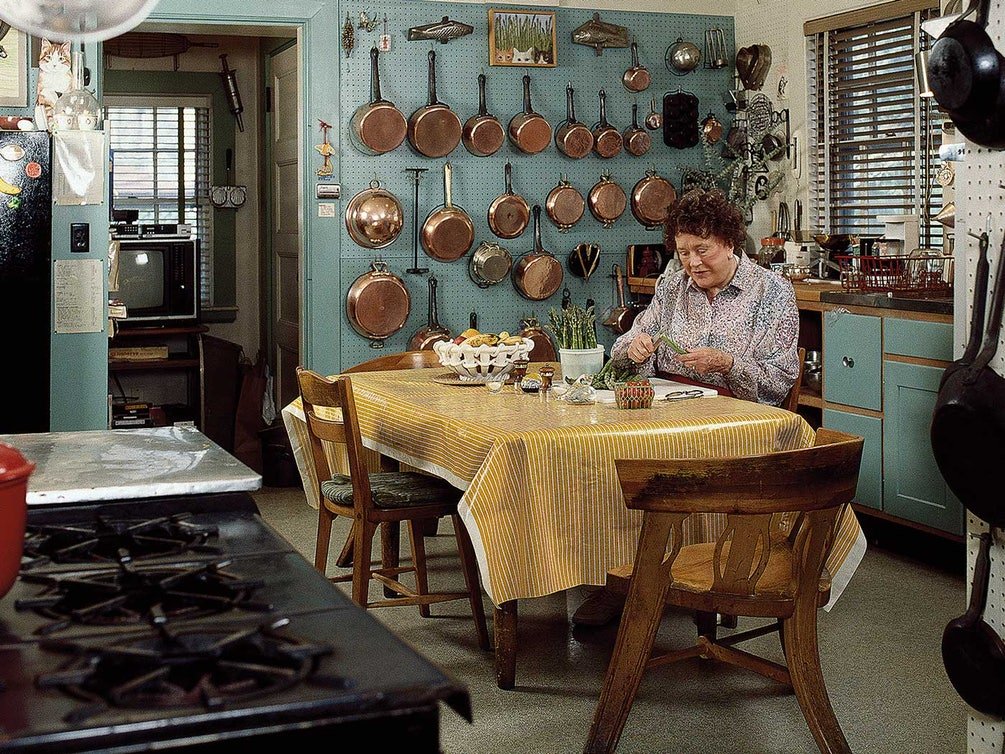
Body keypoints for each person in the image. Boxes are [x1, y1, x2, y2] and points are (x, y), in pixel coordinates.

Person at [572, 188, 800, 627]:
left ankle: (677, 575)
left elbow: (777, 381)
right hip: (670, 408)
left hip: (736, 421)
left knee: (645, 471)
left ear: (731, 242)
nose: (693, 263)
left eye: (702, 249)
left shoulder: (772, 292)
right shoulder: (673, 286)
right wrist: (632, 347)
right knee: (606, 465)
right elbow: (624, 348)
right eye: (683, 252)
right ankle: (618, 578)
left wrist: (729, 363)